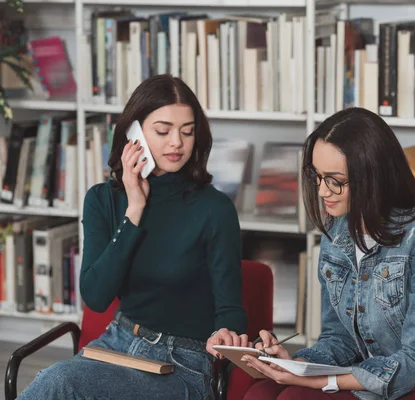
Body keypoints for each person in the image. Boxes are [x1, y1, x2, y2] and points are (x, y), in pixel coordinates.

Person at [18, 75, 249, 400]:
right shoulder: (102, 199)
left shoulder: (215, 209)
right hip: (117, 343)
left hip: (183, 361)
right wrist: (135, 209)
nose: (177, 144)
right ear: (134, 134)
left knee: (62, 383)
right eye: (162, 131)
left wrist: (228, 333)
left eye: (187, 131)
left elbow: (231, 308)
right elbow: (96, 296)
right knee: (60, 381)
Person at [242, 108, 415, 400]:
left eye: (335, 180)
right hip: (368, 375)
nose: (323, 191)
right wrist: (296, 365)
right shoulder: (335, 234)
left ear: (372, 177)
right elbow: (340, 339)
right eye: (317, 176)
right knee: (265, 393)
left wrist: (320, 381)